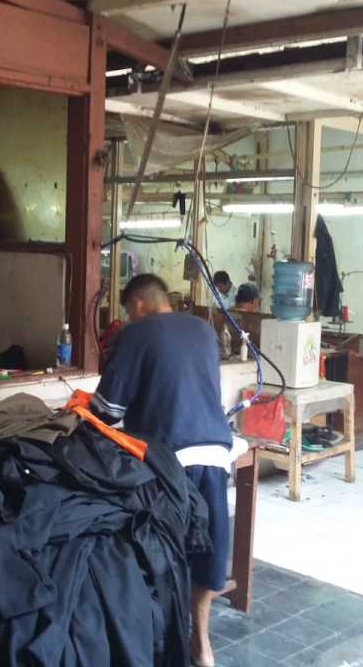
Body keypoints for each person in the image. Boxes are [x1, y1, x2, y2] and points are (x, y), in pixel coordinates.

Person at [90, 273, 232, 667]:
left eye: (127, 311)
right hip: (216, 453)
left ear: (137, 305)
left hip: (168, 463)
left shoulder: (137, 333)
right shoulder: (203, 331)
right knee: (206, 552)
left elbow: (107, 410)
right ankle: (201, 644)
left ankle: (157, 646)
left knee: (159, 553)